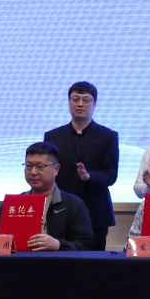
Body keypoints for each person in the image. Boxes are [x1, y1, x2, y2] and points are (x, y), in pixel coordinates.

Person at [44, 82, 119, 251]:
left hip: (95, 211)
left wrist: (89, 176)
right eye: (75, 99)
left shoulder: (108, 136)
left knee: (94, 262)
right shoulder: (53, 136)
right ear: (68, 102)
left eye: (86, 100)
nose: (80, 104)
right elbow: (47, 171)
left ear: (95, 104)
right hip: (59, 209)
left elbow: (111, 174)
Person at [0, 142, 94, 251]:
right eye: (29, 166)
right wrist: (0, 241)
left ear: (56, 169)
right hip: (19, 260)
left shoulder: (73, 204)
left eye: (40, 166)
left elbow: (86, 244)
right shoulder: (13, 203)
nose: (33, 172)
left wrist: (58, 245)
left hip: (57, 261)